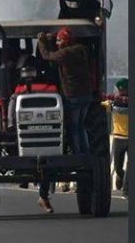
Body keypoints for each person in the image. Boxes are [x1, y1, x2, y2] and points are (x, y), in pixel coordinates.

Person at [37, 28, 92, 156]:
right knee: (81, 125)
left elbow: (47, 56)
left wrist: (42, 41)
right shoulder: (81, 50)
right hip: (87, 94)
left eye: (59, 40)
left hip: (73, 95)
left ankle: (77, 154)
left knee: (73, 126)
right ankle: (86, 152)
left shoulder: (65, 54)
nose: (57, 43)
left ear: (65, 41)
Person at [104, 78, 128, 194]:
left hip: (125, 138)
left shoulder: (114, 102)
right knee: (118, 166)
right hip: (118, 138)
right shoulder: (114, 103)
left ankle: (127, 190)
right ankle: (120, 175)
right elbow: (104, 103)